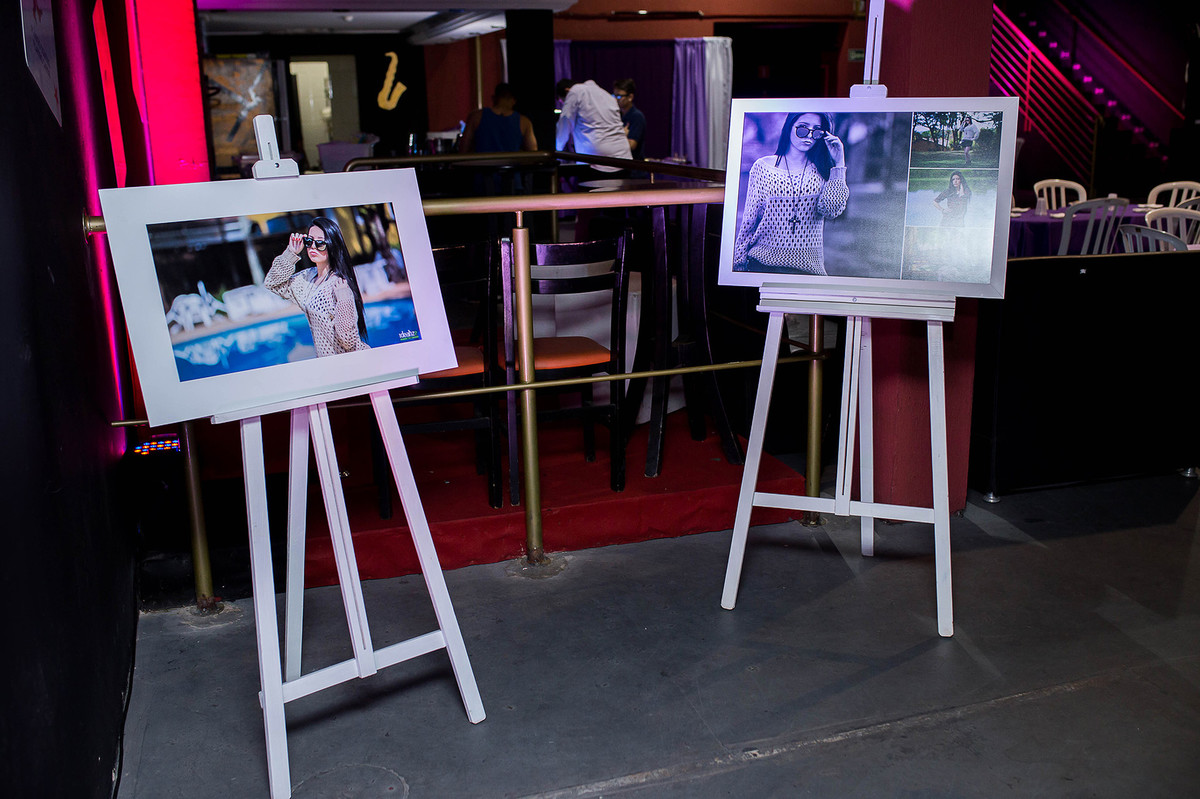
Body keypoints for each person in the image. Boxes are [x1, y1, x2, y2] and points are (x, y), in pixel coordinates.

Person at [732, 112, 848, 275]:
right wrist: (739, 263)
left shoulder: (823, 169)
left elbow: (831, 210)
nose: (809, 136)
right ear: (789, 128)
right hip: (762, 264)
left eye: (816, 131)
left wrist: (839, 163)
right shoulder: (763, 167)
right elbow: (750, 220)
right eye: (802, 129)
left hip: (808, 269)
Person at [266, 216, 370, 357]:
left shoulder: (339, 285)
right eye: (309, 241)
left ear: (332, 245)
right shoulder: (307, 277)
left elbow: (349, 341)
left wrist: (343, 300)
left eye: (320, 243)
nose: (313, 247)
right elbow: (272, 283)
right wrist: (291, 253)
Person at [555, 78, 632, 174]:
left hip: (596, 161)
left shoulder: (575, 91)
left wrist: (557, 150)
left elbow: (565, 122)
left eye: (563, 102)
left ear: (567, 91)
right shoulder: (606, 95)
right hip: (623, 158)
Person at [459, 83, 538, 153]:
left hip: (483, 164)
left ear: (494, 98)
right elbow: (533, 152)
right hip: (511, 164)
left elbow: (463, 148)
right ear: (514, 100)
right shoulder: (524, 122)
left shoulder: (476, 117)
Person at [612, 78, 646, 160]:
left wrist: (619, 136)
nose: (615, 99)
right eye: (614, 96)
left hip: (633, 165)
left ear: (630, 97)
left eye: (619, 96)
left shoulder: (636, 116)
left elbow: (631, 145)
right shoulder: (616, 115)